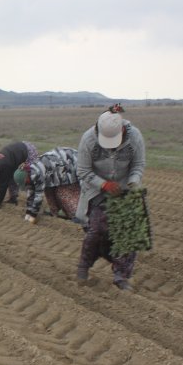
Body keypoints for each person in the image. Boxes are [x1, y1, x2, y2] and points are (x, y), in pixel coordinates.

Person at [75, 104, 145, 291]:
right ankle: (84, 265)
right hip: (96, 190)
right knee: (97, 229)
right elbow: (83, 170)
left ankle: (121, 276)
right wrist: (104, 184)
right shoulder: (89, 139)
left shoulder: (134, 137)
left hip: (124, 188)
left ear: (122, 129)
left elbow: (138, 165)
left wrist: (132, 182)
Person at [14, 147, 80, 224]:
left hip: (71, 164)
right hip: (58, 170)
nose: (26, 186)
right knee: (48, 189)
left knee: (62, 192)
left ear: (26, 178)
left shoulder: (36, 173)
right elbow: (31, 192)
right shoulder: (29, 173)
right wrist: (28, 212)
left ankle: (78, 216)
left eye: (25, 184)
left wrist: (32, 216)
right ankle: (54, 213)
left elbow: (38, 197)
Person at [0, 141, 38, 208]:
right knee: (12, 177)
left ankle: (33, 203)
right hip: (16, 154)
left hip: (28, 151)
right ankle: (13, 199)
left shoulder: (4, 166)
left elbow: (3, 185)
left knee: (29, 178)